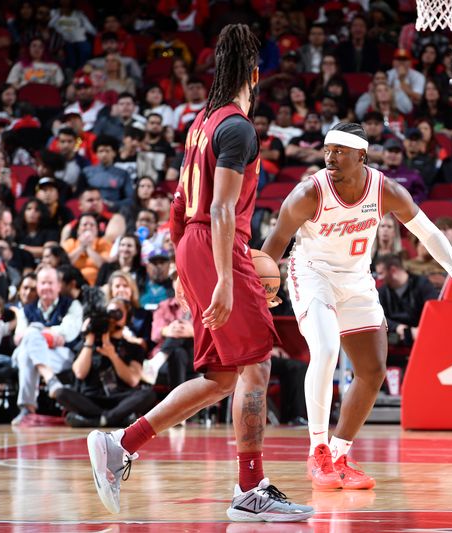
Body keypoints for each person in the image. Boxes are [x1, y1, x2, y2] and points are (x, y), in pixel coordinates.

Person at [85, 24, 313, 522]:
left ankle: (120, 444)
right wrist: (227, 279)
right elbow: (225, 209)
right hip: (217, 244)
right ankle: (250, 490)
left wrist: (187, 260)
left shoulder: (200, 123)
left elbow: (178, 202)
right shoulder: (238, 127)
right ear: (254, 75)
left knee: (220, 378)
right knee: (257, 364)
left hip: (194, 243)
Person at [261, 122, 452, 490]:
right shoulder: (308, 193)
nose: (330, 158)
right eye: (327, 151)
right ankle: (317, 451)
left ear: (361, 157)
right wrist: (262, 289)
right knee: (327, 349)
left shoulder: (385, 190)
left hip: (357, 278)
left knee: (372, 369)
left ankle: (340, 454)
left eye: (340, 152)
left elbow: (427, 231)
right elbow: (274, 244)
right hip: (312, 274)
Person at [55, 298, 157, 427]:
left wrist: (112, 355)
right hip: (91, 399)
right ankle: (115, 419)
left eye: (118, 313)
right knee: (61, 393)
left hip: (121, 400)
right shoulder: (87, 343)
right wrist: (89, 339)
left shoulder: (134, 348)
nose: (113, 318)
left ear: (127, 318)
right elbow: (80, 373)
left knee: (148, 394)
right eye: (109, 313)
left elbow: (133, 380)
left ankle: (99, 420)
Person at [11, 266, 83, 425]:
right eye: (43, 283)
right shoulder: (26, 309)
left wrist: (34, 332)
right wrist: (48, 333)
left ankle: (26, 408)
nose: (46, 287)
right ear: (38, 286)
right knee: (26, 346)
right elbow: (18, 338)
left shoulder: (72, 305)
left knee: (27, 352)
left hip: (61, 354)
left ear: (58, 286)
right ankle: (50, 379)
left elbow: (69, 333)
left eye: (50, 283)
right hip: (34, 353)